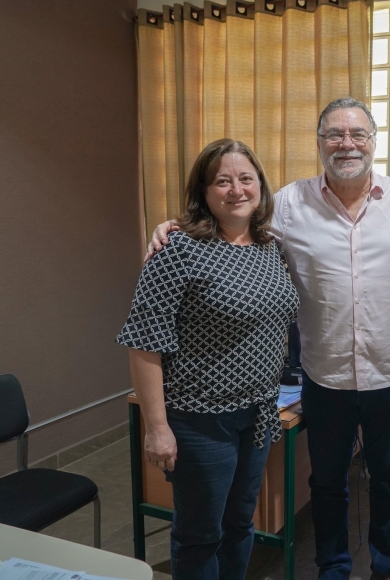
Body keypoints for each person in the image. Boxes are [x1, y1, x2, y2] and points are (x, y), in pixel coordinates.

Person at [147, 98, 390, 580]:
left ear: (373, 140)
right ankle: (333, 567)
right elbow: (230, 223)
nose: (347, 144)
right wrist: (173, 226)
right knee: (327, 483)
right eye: (335, 135)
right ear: (320, 143)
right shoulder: (286, 203)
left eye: (357, 134)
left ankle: (388, 566)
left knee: (388, 479)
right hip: (323, 378)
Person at [117, 139, 300, 580]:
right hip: (200, 421)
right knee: (200, 534)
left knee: (241, 525)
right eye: (222, 181)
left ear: (260, 186)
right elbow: (144, 341)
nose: (236, 189)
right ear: (204, 191)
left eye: (245, 178)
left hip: (258, 414)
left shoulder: (270, 247)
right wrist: (157, 428)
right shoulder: (178, 250)